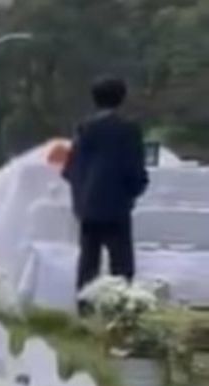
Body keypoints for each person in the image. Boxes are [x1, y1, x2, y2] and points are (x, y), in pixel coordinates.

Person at [62, 76, 149, 294]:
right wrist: (134, 190)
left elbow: (70, 168)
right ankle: (120, 308)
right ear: (122, 98)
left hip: (88, 205)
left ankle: (85, 306)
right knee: (121, 264)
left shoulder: (84, 128)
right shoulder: (128, 130)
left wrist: (81, 195)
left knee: (88, 262)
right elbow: (134, 168)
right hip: (117, 205)